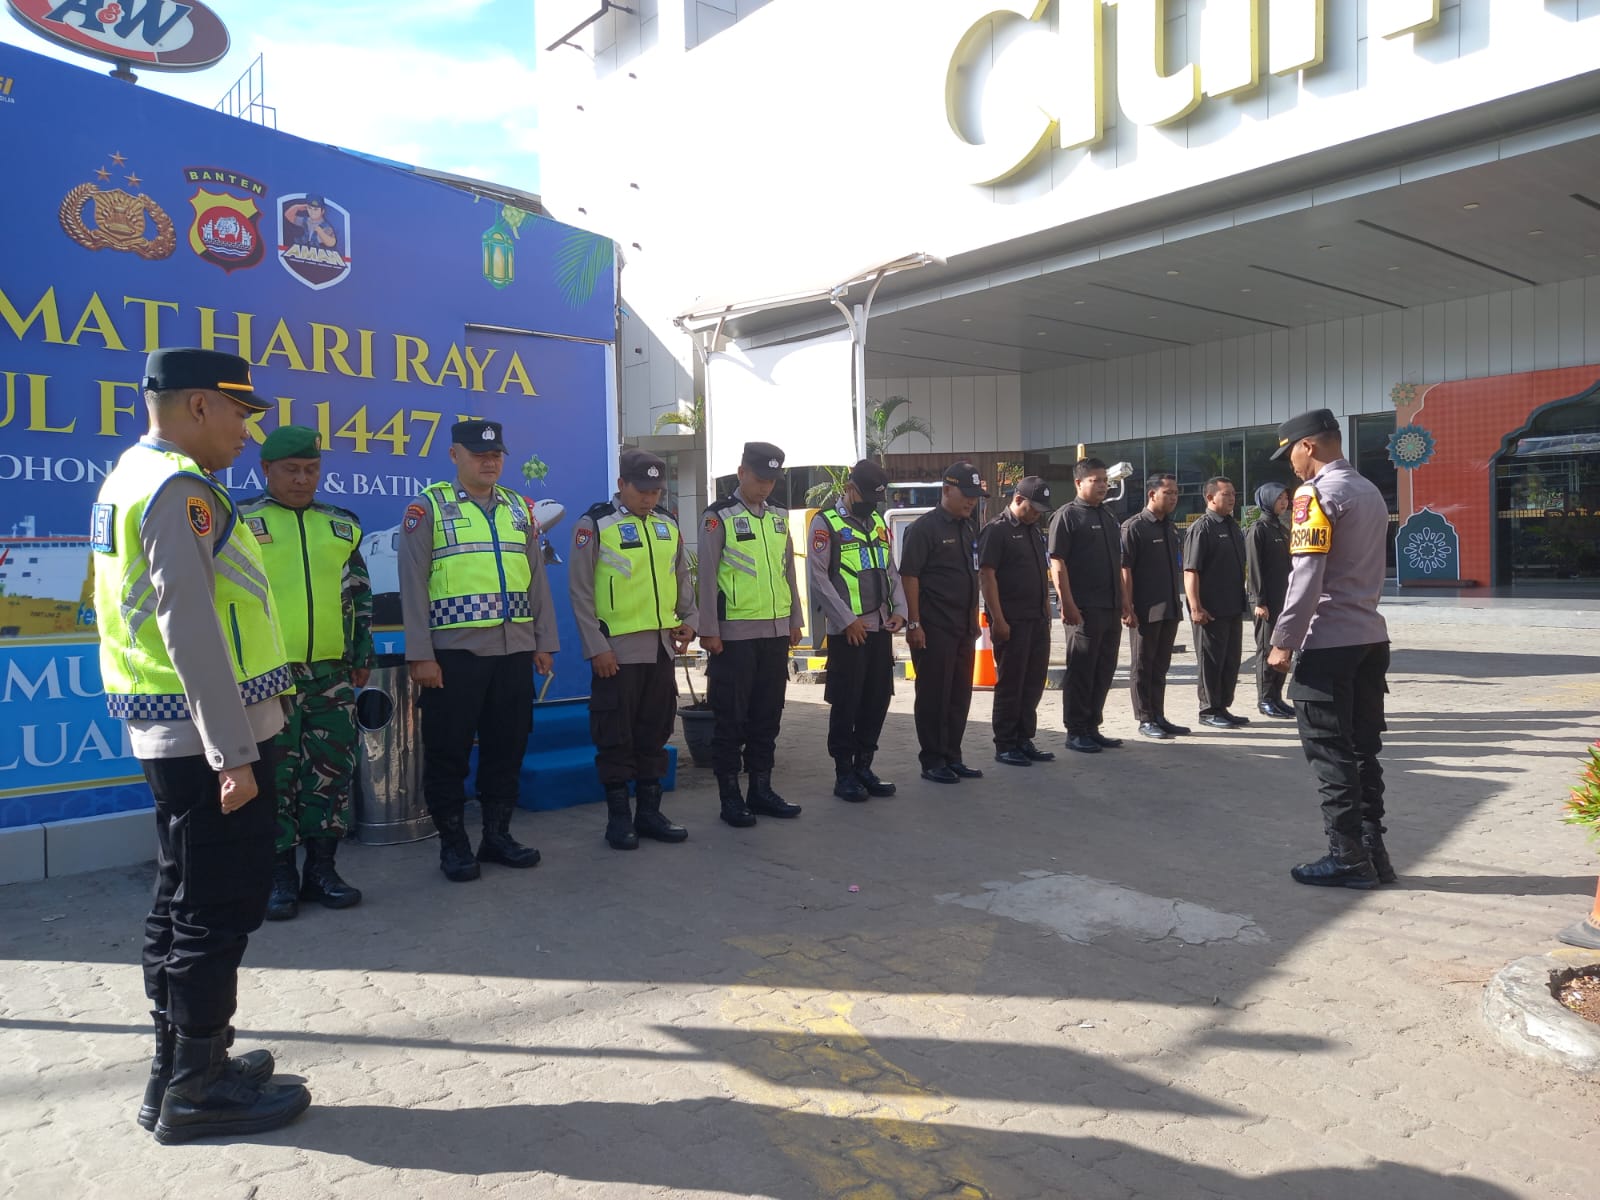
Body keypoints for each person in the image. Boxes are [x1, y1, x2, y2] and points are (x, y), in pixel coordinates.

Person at [93, 347, 309, 1143]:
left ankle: (178, 1066)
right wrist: (232, 753)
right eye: (240, 414)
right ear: (197, 407)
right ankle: (197, 1089)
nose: (248, 434)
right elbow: (188, 626)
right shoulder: (178, 490)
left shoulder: (133, 476)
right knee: (214, 912)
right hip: (210, 738)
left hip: (178, 733)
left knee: (181, 901)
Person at [398, 419, 558, 881]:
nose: (490, 462)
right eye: (479, 454)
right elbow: (412, 585)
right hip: (454, 656)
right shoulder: (427, 508)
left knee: (507, 747)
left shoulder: (518, 508)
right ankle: (453, 845)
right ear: (455, 456)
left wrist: (543, 641)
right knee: (448, 752)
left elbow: (536, 578)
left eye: (495, 455)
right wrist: (420, 655)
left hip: (514, 651)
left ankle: (497, 836)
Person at [242, 425, 375, 922]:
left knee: (331, 772)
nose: (302, 479)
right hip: (268, 676)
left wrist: (361, 652)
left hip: (330, 675)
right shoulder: (241, 522)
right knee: (275, 776)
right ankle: (279, 876)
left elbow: (358, 594)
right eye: (291, 470)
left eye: (311, 469)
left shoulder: (341, 525)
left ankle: (322, 870)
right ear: (266, 470)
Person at [1265, 408, 1394, 889]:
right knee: (1362, 749)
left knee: (1330, 752)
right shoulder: (1369, 491)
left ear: (1309, 446)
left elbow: (1306, 576)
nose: (1292, 465)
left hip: (1328, 642)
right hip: (1370, 637)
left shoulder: (1314, 494)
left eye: (1291, 455)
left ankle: (1348, 858)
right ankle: (1373, 851)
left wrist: (1283, 642)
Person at [569, 448, 696, 849]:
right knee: (615, 736)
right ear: (621, 484)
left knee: (654, 733)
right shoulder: (595, 525)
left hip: (660, 649)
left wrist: (690, 619)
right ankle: (619, 819)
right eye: (642, 490)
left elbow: (681, 576)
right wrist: (596, 647)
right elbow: (580, 592)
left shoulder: (666, 525)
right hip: (616, 653)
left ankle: (650, 813)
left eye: (656, 491)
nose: (649, 498)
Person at [698, 441, 804, 827]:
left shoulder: (778, 516)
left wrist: (795, 618)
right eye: (760, 479)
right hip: (734, 636)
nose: (765, 487)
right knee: (731, 719)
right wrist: (709, 630)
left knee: (767, 716)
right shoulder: (718, 517)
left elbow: (787, 569)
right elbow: (707, 575)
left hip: (774, 632)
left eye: (771, 481)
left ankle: (761, 789)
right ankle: (730, 798)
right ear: (741, 473)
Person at [807, 458, 907, 801]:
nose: (871, 504)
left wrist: (901, 612)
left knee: (877, 699)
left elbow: (890, 570)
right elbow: (819, 578)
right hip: (848, 630)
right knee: (846, 702)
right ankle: (844, 772)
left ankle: (865, 765)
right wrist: (845, 619)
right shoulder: (826, 523)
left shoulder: (877, 521)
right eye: (866, 497)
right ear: (849, 489)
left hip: (880, 626)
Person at [900, 460, 987, 784]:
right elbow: (909, 576)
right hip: (934, 628)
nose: (972, 501)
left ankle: (953, 755)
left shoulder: (969, 527)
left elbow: (973, 574)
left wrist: (973, 619)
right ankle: (933, 759)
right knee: (934, 696)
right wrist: (914, 623)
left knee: (959, 695)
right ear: (947, 490)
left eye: (975, 496)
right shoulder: (924, 529)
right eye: (967, 494)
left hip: (963, 627)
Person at [1047, 458, 1133, 753]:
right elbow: (1057, 564)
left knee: (1104, 669)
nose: (1102, 486)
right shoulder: (1067, 516)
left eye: (1104, 481)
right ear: (1078, 483)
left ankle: (1092, 726)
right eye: (1095, 481)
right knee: (1082, 670)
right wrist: (1067, 603)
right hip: (1083, 609)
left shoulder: (1108, 515)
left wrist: (1125, 602)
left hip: (1110, 607)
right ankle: (1075, 730)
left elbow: (1117, 564)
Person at [978, 476, 1056, 766]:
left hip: (1037, 619)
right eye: (1033, 508)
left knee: (1033, 683)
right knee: (1011, 684)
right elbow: (987, 576)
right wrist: (998, 619)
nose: (1036, 514)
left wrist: (1046, 611)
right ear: (1018, 499)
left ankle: (1024, 738)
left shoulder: (1033, 530)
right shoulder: (997, 530)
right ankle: (1006, 743)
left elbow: (1040, 574)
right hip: (1011, 621)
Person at [1120, 473, 1191, 741]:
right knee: (1142, 665)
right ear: (1152, 494)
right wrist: (1127, 607)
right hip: (1145, 610)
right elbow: (1125, 570)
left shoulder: (1170, 528)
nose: (1173, 498)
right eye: (1168, 493)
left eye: (1176, 493)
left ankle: (1158, 715)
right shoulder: (1134, 527)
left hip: (1169, 607)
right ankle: (1145, 718)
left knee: (1160, 666)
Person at [1183, 477, 1250, 730]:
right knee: (1210, 661)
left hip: (1232, 606)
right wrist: (1195, 607)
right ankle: (1208, 709)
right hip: (1210, 610)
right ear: (1210, 498)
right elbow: (1191, 570)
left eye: (1233, 493)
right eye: (1226, 494)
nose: (1232, 498)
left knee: (1230, 660)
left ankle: (1222, 706)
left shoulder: (1232, 526)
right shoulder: (1202, 528)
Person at [1246, 482, 1295, 719]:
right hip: (1266, 602)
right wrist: (1259, 601)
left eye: (1285, 498)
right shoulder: (1259, 529)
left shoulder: (1281, 528)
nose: (1284, 503)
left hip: (1285, 600)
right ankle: (1265, 698)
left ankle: (1277, 697)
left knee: (1284, 647)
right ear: (1266, 500)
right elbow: (1254, 568)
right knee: (1267, 648)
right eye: (1279, 498)